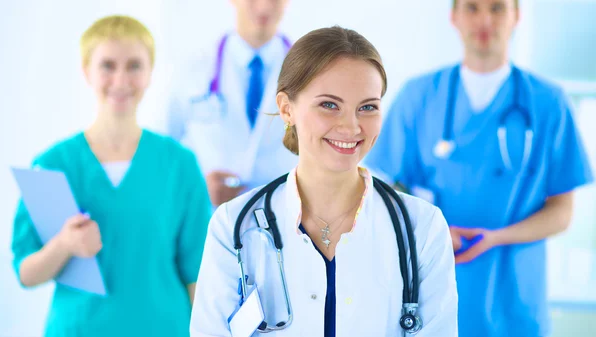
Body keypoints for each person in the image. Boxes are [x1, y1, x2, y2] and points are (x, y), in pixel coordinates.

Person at [189, 26, 458, 337]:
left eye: (367, 107)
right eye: (329, 105)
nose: (351, 126)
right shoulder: (234, 225)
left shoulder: (421, 228)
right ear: (287, 108)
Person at [364, 0, 594, 336]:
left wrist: (496, 238)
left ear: (516, 16)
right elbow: (384, 186)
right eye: (472, 7)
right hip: (431, 285)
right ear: (454, 17)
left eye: (498, 8)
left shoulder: (549, 102)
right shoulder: (419, 96)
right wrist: (435, 231)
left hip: (514, 298)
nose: (485, 19)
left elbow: (562, 211)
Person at [10, 15, 211, 337]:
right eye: (107, 65)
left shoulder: (179, 164)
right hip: (79, 329)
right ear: (86, 70)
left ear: (149, 74)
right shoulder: (53, 165)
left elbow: (197, 273)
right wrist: (64, 244)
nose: (120, 79)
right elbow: (26, 272)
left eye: (134, 65)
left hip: (162, 328)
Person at [167, 0, 298, 207]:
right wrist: (196, 188)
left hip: (287, 217)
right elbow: (163, 154)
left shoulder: (314, 72)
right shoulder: (192, 68)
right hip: (210, 219)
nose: (264, 6)